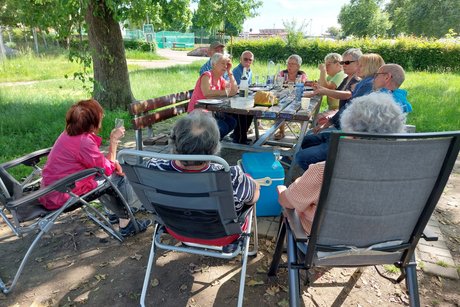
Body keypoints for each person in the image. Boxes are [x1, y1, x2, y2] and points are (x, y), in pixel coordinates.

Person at [278, 92, 407, 234]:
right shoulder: (405, 174)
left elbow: (287, 202)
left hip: (324, 245)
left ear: (349, 128)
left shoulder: (324, 171)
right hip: (384, 247)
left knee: (288, 201)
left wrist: (283, 190)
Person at [146, 110, 260, 247]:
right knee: (252, 188)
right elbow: (253, 198)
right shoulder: (231, 177)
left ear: (174, 142)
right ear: (214, 147)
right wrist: (253, 185)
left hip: (176, 229)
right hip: (222, 236)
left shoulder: (153, 168)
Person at [39, 99, 151, 237]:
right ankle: (126, 224)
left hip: (50, 191)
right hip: (63, 195)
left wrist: (111, 162)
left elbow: (97, 163)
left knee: (108, 173)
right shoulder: (83, 142)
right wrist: (114, 141)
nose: (102, 118)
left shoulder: (68, 134)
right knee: (117, 176)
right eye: (100, 115)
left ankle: (115, 213)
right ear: (93, 121)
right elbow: (107, 169)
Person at [295, 53, 385, 170]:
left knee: (301, 155)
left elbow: (351, 111)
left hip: (349, 138)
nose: (357, 68)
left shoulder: (367, 85)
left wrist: (330, 126)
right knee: (304, 140)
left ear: (370, 67)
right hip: (343, 131)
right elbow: (346, 107)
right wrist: (327, 124)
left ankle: (325, 181)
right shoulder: (362, 83)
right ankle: (317, 174)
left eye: (360, 66)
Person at [188, 52, 239, 139]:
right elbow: (207, 93)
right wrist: (225, 92)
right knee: (222, 127)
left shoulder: (220, 79)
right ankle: (208, 144)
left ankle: (214, 141)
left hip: (211, 112)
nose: (225, 66)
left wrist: (230, 72)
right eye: (222, 63)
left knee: (232, 122)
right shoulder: (207, 76)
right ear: (214, 64)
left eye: (226, 64)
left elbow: (234, 91)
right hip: (197, 112)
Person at [275, 54, 308, 140]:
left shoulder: (302, 74)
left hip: (297, 97)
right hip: (283, 96)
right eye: (288, 63)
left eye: (293, 64)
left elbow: (301, 83)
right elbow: (277, 82)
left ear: (298, 66)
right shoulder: (282, 72)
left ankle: (303, 133)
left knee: (303, 110)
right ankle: (281, 131)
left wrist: (288, 83)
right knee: (279, 107)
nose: (289, 66)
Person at [315, 52, 347, 119]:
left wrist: (323, 72)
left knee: (318, 118)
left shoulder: (340, 74)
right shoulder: (331, 76)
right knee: (315, 117)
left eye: (328, 64)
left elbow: (326, 87)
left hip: (340, 110)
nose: (326, 67)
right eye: (325, 64)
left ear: (338, 64)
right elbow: (322, 87)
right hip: (332, 108)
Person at [232, 50, 255, 144]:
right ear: (240, 60)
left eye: (250, 60)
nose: (248, 62)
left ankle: (240, 134)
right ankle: (240, 137)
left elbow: (248, 87)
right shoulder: (237, 71)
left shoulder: (249, 71)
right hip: (234, 100)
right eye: (245, 59)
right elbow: (238, 88)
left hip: (243, 98)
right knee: (243, 111)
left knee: (252, 111)